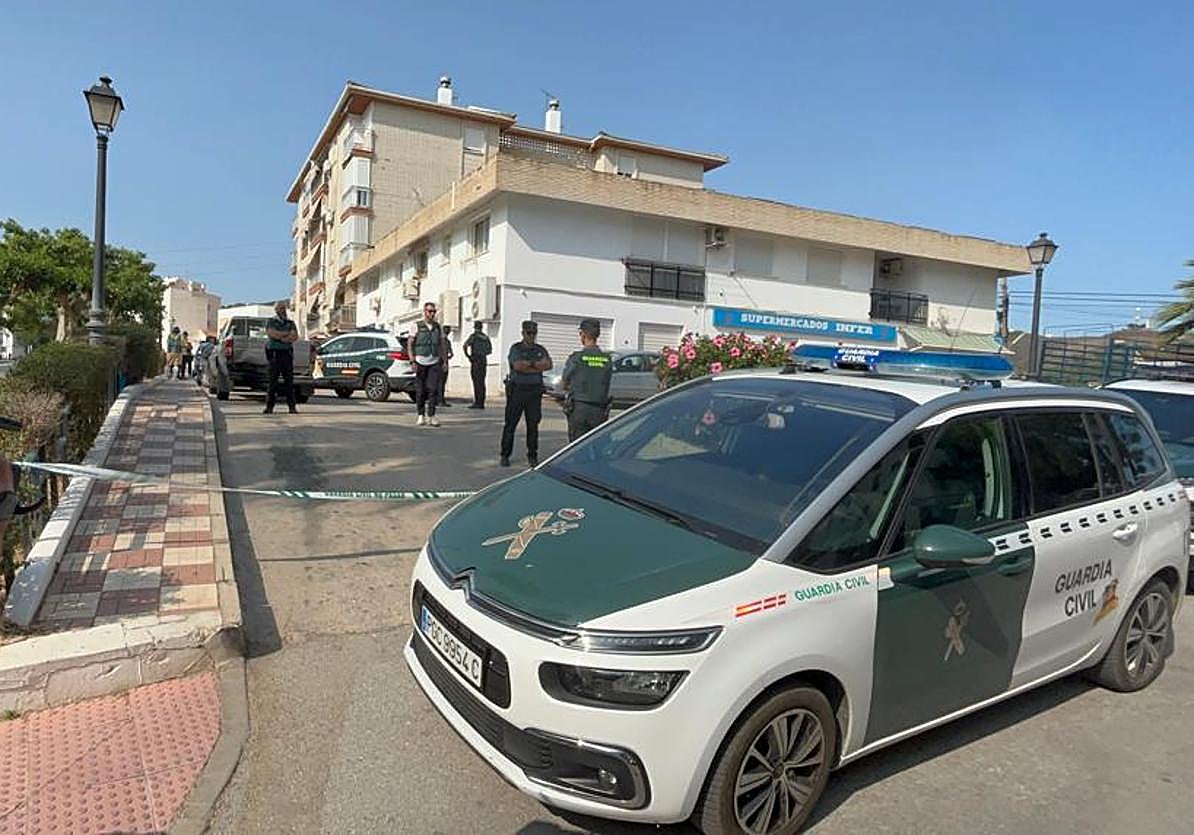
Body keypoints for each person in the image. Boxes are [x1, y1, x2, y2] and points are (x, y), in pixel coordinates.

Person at [499, 320, 552, 468]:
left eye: (534, 333)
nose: (531, 336)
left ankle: (532, 456)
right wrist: (536, 365)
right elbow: (517, 366)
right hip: (517, 391)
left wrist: (529, 365)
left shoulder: (540, 349)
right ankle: (505, 455)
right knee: (510, 425)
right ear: (523, 333)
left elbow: (548, 365)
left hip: (534, 392)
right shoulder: (516, 348)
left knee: (533, 425)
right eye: (529, 333)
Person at [561, 319, 613, 443]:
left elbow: (564, 382)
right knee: (598, 445)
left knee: (578, 446)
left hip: (579, 409)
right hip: (600, 410)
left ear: (583, 334)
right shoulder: (607, 359)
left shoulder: (576, 358)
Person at [406, 301, 443, 427]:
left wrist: (444, 361)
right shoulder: (416, 326)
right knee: (420, 390)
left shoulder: (438, 327)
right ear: (425, 312)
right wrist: (412, 360)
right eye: (430, 311)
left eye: (434, 311)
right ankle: (421, 415)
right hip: (420, 361)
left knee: (433, 389)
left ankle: (431, 416)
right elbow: (410, 344)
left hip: (434, 362)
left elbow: (442, 344)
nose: (432, 314)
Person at [264, 301, 299, 414]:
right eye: (280, 308)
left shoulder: (290, 322)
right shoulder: (271, 321)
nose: (282, 310)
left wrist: (279, 336)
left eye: (283, 308)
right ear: (276, 310)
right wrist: (285, 335)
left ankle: (292, 407)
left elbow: (294, 336)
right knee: (272, 382)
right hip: (274, 354)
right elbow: (271, 333)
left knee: (289, 382)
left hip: (286, 354)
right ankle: (269, 407)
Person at [463, 321, 492, 409]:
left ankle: (477, 402)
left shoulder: (474, 336)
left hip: (475, 360)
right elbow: (489, 351)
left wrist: (468, 356)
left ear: (475, 327)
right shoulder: (486, 337)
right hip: (483, 360)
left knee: (476, 381)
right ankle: (481, 402)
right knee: (482, 382)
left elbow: (465, 346)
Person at [437, 325, 454, 407]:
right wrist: (444, 361)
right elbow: (445, 352)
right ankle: (440, 400)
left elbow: (450, 352)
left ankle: (440, 399)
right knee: (441, 382)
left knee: (442, 382)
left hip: (443, 361)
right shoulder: (442, 340)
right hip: (441, 362)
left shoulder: (446, 341)